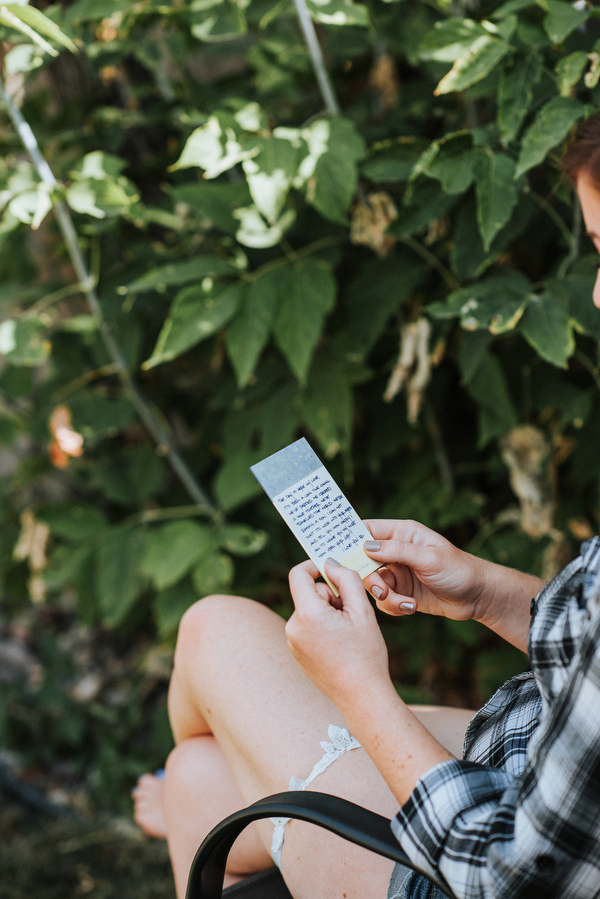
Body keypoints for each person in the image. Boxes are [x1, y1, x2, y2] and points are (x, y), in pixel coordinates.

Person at [132, 112, 600, 899]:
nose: (594, 289)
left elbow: (510, 882)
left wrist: (361, 688)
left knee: (215, 632)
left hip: (481, 861)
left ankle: (227, 785)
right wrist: (488, 589)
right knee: (198, 778)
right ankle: (219, 786)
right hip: (543, 766)